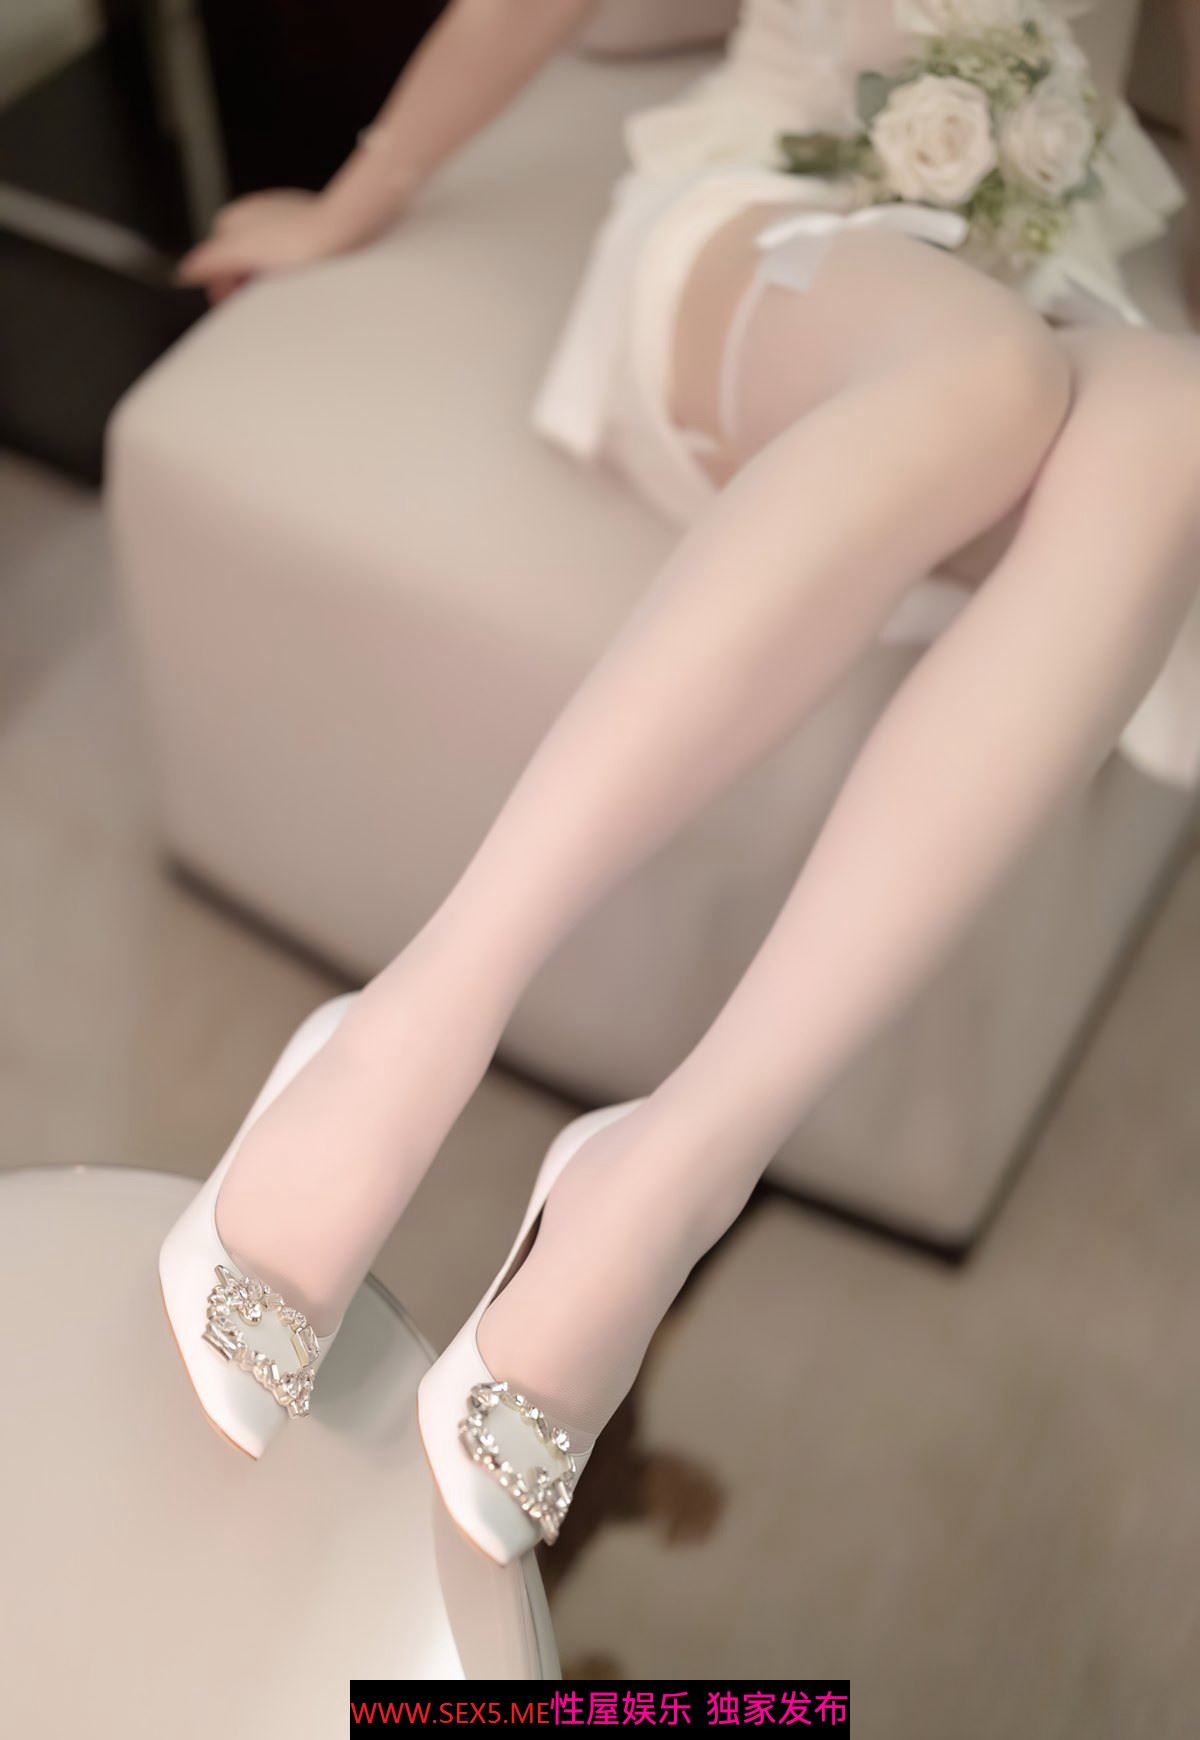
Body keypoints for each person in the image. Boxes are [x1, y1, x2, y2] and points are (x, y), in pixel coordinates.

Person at [163, 0, 1200, 1562]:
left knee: (1174, 423)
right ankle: (409, 1029)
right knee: (982, 379)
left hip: (1054, 276)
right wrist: (354, 198)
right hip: (774, 241)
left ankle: (680, 1168)